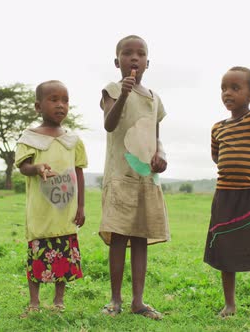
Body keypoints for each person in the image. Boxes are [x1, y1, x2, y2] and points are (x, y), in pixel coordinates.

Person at [98, 35, 169, 320]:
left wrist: (161, 154)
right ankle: (115, 299)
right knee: (119, 237)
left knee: (140, 239)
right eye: (128, 54)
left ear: (148, 63)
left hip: (146, 179)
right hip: (120, 177)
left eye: (140, 54)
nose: (134, 58)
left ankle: (138, 301)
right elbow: (109, 124)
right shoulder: (113, 90)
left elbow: (156, 136)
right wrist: (124, 95)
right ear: (117, 62)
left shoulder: (154, 98)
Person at [204, 66, 250, 322]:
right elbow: (216, 156)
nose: (228, 93)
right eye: (224, 88)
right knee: (225, 251)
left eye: (235, 88)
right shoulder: (217, 127)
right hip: (225, 195)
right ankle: (229, 305)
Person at [15, 80, 87, 316]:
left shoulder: (72, 140)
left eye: (65, 100)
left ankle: (58, 300)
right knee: (37, 252)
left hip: (65, 209)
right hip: (41, 210)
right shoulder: (30, 138)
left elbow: (78, 172)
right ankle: (34, 302)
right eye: (53, 100)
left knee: (63, 256)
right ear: (38, 106)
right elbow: (23, 167)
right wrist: (37, 168)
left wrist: (81, 206)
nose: (61, 105)